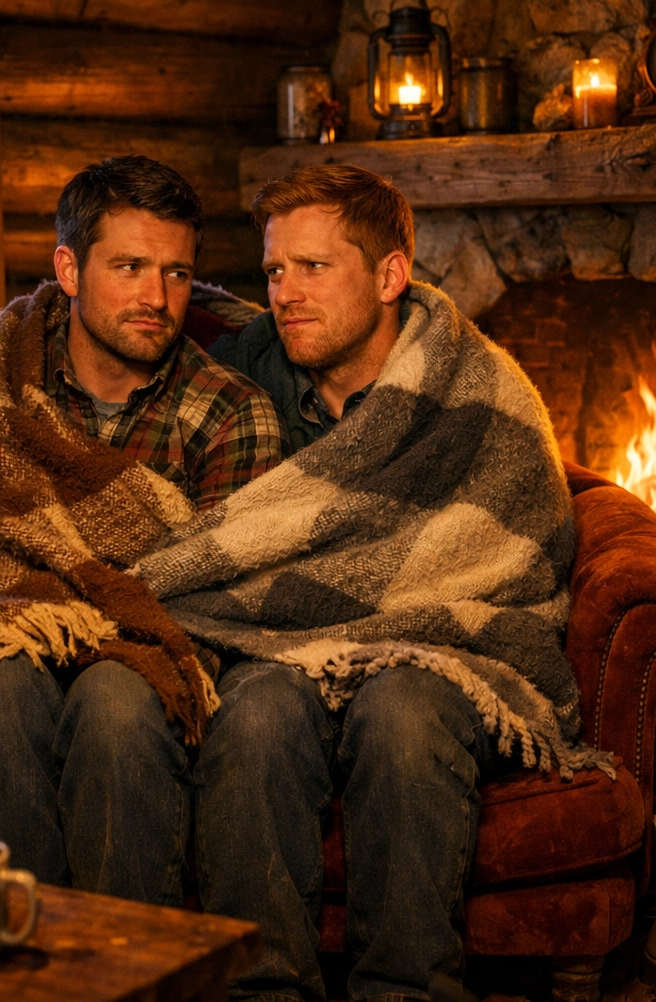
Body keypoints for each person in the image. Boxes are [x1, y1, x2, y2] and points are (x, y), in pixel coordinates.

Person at [132, 164, 596, 1002]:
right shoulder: (242, 376)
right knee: (253, 715)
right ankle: (262, 992)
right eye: (276, 271)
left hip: (444, 641)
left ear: (389, 276)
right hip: (282, 641)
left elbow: (514, 547)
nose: (287, 294)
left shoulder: (476, 386)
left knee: (403, 711)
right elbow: (206, 535)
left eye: (315, 267)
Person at [0, 155, 288, 891]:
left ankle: (128, 952)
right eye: (129, 267)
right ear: (69, 269)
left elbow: (216, 597)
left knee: (116, 701)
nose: (157, 297)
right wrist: (43, 615)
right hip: (15, 624)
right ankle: (9, 942)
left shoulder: (230, 412)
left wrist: (96, 624)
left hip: (154, 645)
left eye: (177, 273)